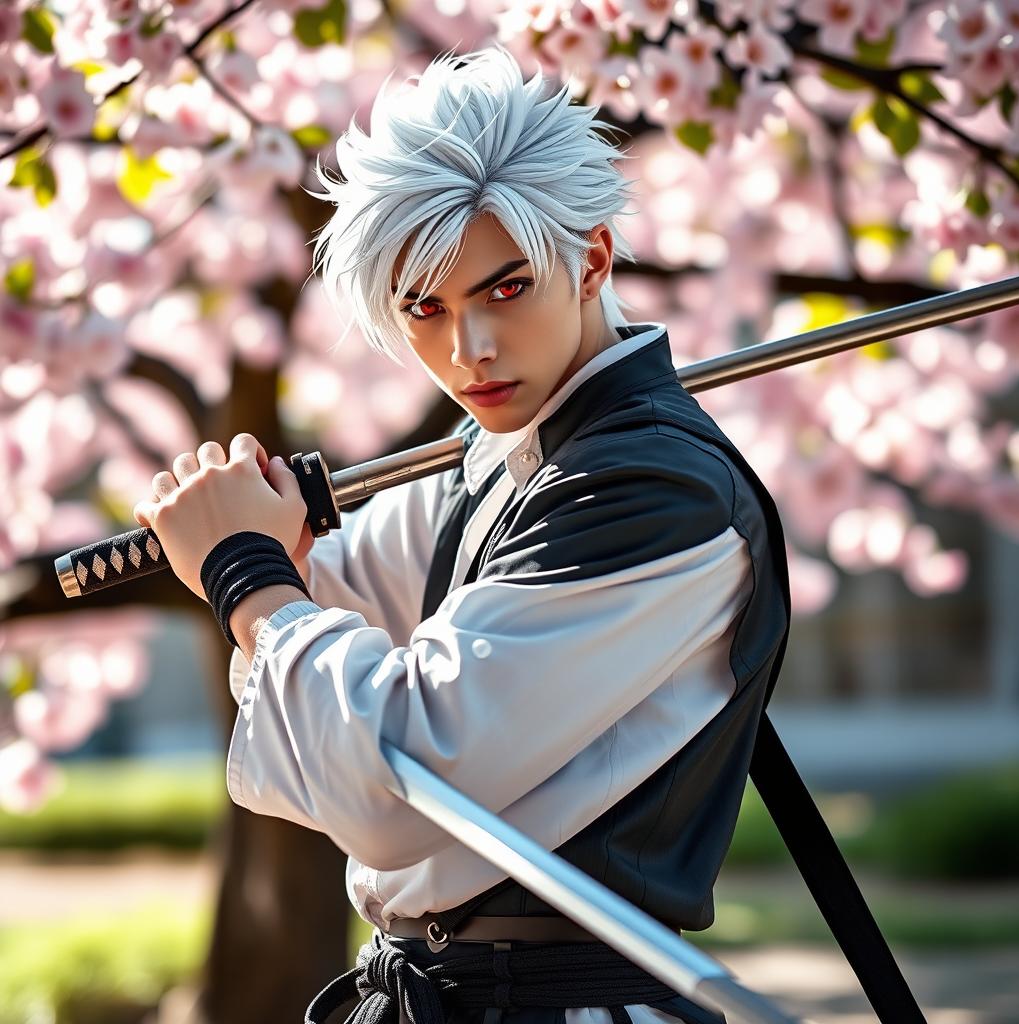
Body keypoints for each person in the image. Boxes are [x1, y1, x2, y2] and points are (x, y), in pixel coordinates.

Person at [133, 44, 791, 1024]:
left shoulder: (652, 491)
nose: (467, 349)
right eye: (425, 309)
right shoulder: (500, 450)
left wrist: (248, 573)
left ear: (593, 258)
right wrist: (275, 551)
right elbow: (333, 613)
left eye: (506, 288)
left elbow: (400, 775)